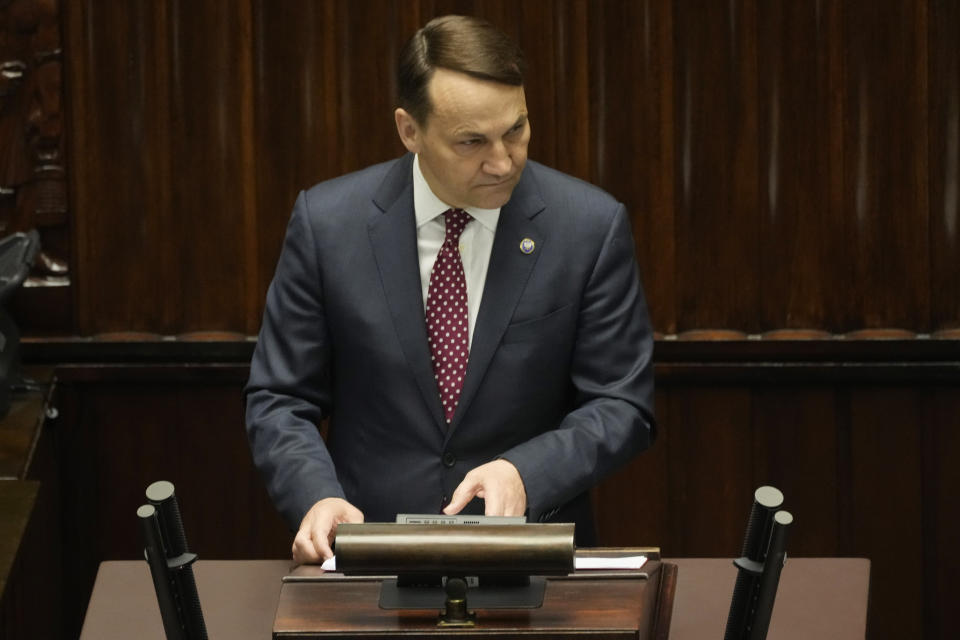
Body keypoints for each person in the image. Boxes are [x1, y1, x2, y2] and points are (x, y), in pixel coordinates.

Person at [245, 15, 656, 564]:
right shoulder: (328, 225)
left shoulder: (588, 227)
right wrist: (316, 496)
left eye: (517, 129)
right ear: (409, 130)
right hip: (369, 559)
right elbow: (280, 397)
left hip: (533, 564)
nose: (503, 161)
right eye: (471, 141)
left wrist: (525, 473)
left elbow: (622, 403)